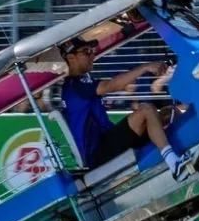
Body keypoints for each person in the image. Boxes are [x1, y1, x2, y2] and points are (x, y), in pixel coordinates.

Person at [58, 50, 188, 178]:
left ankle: (185, 149)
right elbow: (111, 85)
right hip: (98, 153)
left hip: (107, 141)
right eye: (86, 52)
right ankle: (174, 163)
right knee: (146, 109)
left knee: (168, 112)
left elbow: (115, 85)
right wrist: (146, 67)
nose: (92, 55)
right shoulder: (75, 84)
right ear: (71, 57)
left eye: (92, 51)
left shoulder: (80, 83)